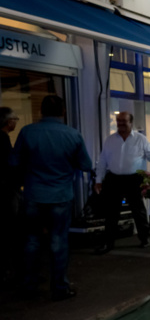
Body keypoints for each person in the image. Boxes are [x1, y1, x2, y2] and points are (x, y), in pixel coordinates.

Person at [12, 95, 92, 300]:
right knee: (59, 241)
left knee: (31, 241)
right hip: (60, 195)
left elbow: (14, 162)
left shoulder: (27, 132)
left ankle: (29, 285)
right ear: (63, 112)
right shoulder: (72, 135)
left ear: (41, 111)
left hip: (33, 194)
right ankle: (59, 287)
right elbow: (85, 165)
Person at [94, 112, 150, 254]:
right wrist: (98, 180)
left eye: (124, 121)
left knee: (138, 210)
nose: (120, 124)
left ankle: (145, 238)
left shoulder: (140, 139)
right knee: (111, 212)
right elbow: (103, 161)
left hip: (134, 179)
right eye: (118, 121)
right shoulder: (110, 140)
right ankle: (108, 242)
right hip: (114, 179)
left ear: (131, 122)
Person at [1, 107, 21, 283]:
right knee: (9, 231)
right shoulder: (3, 141)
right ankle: (8, 271)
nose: (16, 121)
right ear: (9, 122)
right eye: (15, 119)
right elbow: (10, 166)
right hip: (6, 192)